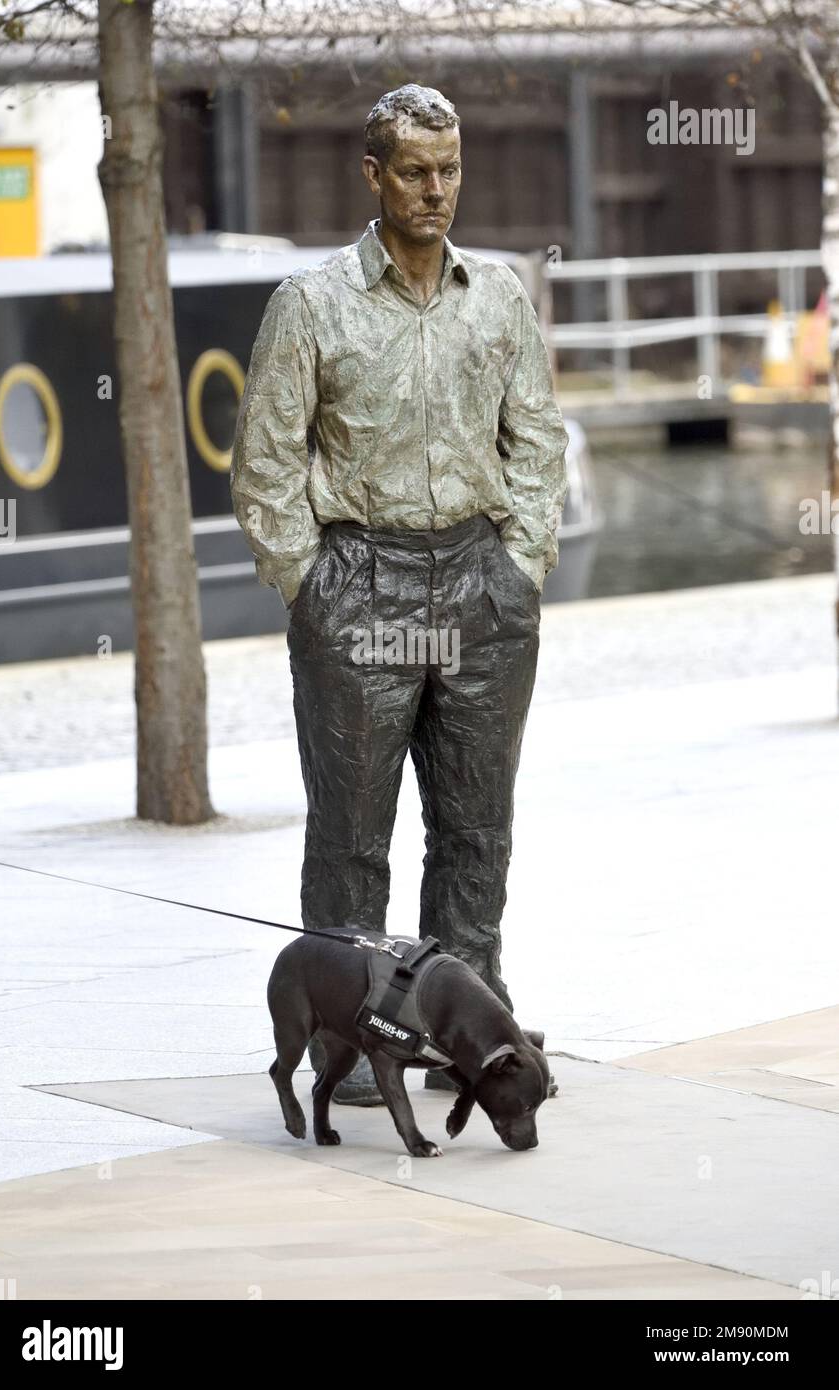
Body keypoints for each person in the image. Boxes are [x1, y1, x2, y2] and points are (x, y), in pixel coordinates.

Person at [231, 84, 568, 1104]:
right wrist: (313, 585)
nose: (436, 190)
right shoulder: (312, 304)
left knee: (476, 830)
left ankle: (468, 1019)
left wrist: (520, 562)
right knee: (352, 833)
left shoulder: (501, 296)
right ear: (372, 175)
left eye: (450, 169)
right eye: (415, 171)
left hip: (481, 587)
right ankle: (354, 1034)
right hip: (360, 588)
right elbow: (265, 466)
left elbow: (538, 440)